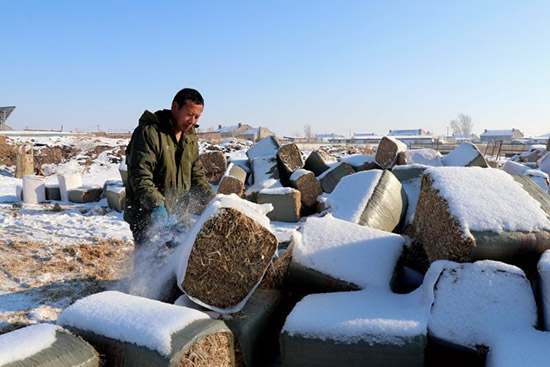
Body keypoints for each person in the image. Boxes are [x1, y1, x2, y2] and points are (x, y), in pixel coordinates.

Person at [124, 88, 214, 248]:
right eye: (189, 114)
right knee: (152, 266)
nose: (192, 121)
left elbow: (196, 175)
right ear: (175, 107)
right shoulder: (149, 133)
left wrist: (212, 198)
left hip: (179, 215)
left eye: (197, 116)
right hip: (149, 214)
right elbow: (140, 176)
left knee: (180, 264)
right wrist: (156, 205)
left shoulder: (190, 137)